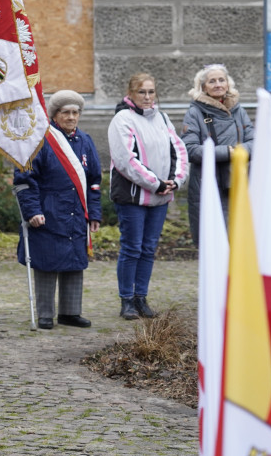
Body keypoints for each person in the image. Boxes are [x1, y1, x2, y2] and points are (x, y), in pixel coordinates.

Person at [14, 90, 102, 330]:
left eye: (75, 112)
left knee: (74, 261)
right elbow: (25, 179)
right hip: (48, 211)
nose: (72, 117)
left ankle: (70, 312)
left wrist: (94, 213)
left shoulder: (85, 141)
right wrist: (32, 211)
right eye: (66, 112)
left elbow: (94, 180)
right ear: (54, 115)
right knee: (46, 261)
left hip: (76, 213)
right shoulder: (39, 140)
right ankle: (45, 314)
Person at [107, 73, 188, 321]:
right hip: (133, 197)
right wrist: (156, 183)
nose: (148, 97)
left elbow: (179, 151)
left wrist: (175, 180)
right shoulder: (122, 120)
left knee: (149, 248)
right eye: (142, 92)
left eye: (151, 92)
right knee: (132, 248)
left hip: (161, 196)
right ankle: (127, 300)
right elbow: (126, 160)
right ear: (131, 93)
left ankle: (141, 297)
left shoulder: (162, 118)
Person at [181, 63, 254, 246]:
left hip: (238, 180)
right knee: (214, 241)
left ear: (228, 84)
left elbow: (254, 142)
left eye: (221, 80)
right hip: (208, 181)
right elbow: (190, 149)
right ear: (204, 87)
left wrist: (239, 152)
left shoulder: (239, 110)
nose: (218, 84)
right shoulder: (195, 112)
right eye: (212, 81)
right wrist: (228, 152)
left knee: (239, 241)